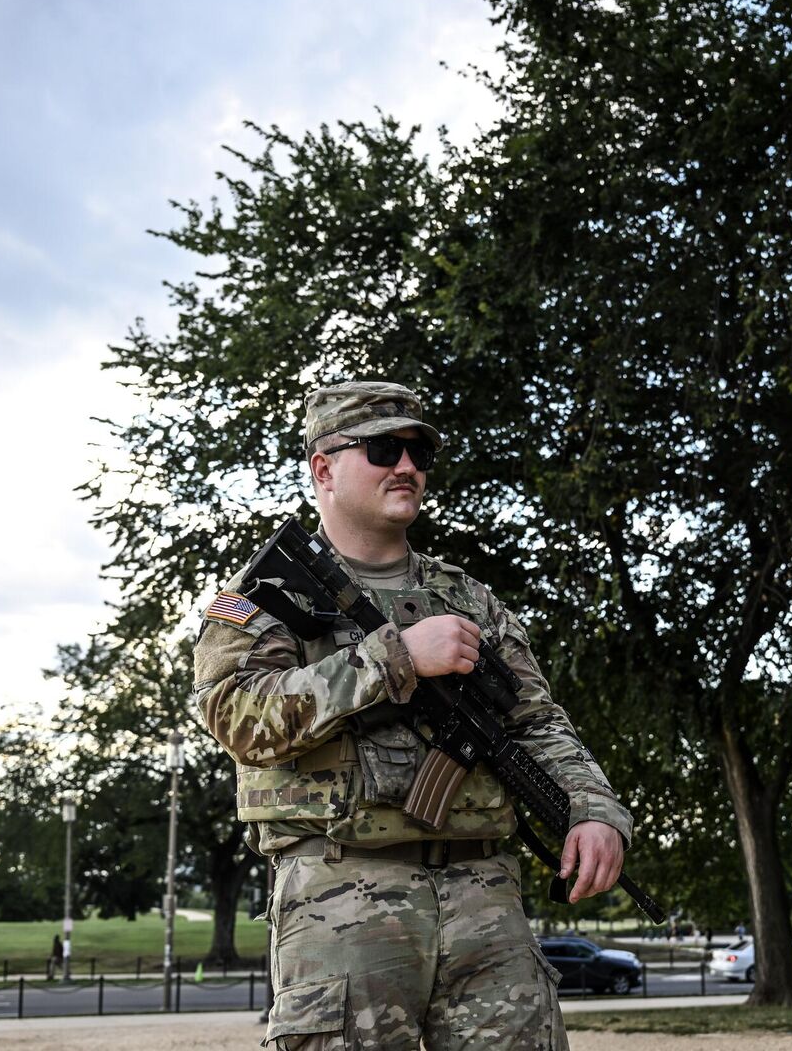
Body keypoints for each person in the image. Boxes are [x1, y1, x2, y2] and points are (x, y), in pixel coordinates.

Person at [193, 380, 633, 1049]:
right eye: (382, 448)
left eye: (419, 452)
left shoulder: (467, 598)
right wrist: (393, 657)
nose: (407, 466)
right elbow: (238, 717)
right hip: (342, 894)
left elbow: (537, 722)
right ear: (323, 469)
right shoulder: (265, 598)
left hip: (485, 890)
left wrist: (595, 809)